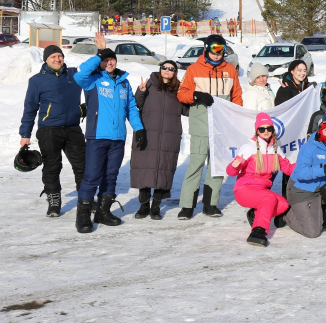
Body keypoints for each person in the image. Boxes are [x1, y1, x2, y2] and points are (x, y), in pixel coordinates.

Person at [73, 33, 145, 233]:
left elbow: (131, 107)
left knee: (111, 176)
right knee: (92, 176)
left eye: (112, 58)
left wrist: (138, 129)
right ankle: (83, 216)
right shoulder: (93, 80)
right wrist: (99, 54)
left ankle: (102, 212)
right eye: (106, 59)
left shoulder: (123, 83)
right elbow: (79, 75)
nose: (110, 62)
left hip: (117, 138)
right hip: (97, 136)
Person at [176, 35, 243, 220]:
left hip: (221, 126)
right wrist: (196, 95)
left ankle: (210, 204)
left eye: (221, 49)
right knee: (196, 164)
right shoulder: (194, 69)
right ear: (206, 48)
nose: (217, 53)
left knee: (217, 166)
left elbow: (236, 96)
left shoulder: (230, 70)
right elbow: (182, 93)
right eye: (214, 48)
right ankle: (187, 205)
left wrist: (235, 117)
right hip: (200, 124)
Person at [20, 45, 86, 217]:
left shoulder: (73, 75)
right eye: (53, 57)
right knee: (52, 166)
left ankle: (86, 199)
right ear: (46, 60)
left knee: (82, 166)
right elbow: (30, 108)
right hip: (49, 130)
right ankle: (54, 201)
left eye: (60, 56)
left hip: (72, 128)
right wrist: (25, 134)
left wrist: (82, 110)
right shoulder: (36, 81)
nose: (57, 59)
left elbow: (93, 73)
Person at [130, 60, 187, 220]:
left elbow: (186, 110)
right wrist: (140, 91)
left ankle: (155, 206)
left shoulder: (178, 90)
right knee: (145, 169)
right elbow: (136, 105)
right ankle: (143, 206)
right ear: (160, 69)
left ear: (175, 72)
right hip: (148, 134)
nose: (167, 70)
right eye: (165, 68)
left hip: (170, 136)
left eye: (171, 69)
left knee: (164, 171)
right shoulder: (148, 85)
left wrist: (193, 97)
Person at [228, 113, 295, 247]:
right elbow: (231, 172)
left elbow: (288, 169)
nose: (266, 132)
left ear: (272, 130)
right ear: (257, 130)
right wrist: (234, 166)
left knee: (283, 205)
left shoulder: (275, 149)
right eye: (262, 129)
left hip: (261, 191)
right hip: (244, 189)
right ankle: (258, 232)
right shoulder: (248, 148)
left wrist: (306, 162)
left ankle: (256, 214)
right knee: (269, 198)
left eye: (269, 128)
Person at [274, 59, 315, 198]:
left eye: (305, 70)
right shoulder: (286, 88)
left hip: (301, 133)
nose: (302, 73)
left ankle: (296, 198)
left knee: (298, 165)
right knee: (289, 166)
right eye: (299, 70)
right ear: (291, 71)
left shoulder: (303, 87)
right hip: (290, 134)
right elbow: (281, 111)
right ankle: (287, 200)